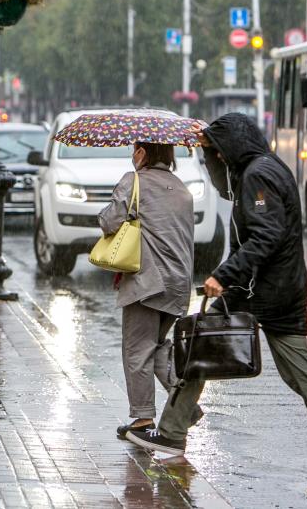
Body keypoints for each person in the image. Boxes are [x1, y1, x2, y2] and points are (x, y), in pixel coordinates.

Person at [123, 113, 307, 495]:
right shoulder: (263, 168)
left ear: (231, 148)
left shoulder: (257, 175)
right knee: (199, 347)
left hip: (268, 293)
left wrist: (224, 274)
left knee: (301, 376)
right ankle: (171, 432)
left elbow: (266, 237)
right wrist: (207, 145)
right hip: (260, 289)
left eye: (217, 153)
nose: (215, 160)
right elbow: (241, 209)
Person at [98, 142, 200, 438]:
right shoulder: (181, 188)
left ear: (142, 153)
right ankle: (187, 407)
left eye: (135, 149)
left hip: (147, 281)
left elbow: (109, 221)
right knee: (156, 346)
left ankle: (143, 419)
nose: (132, 154)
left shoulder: (134, 181)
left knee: (137, 350)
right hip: (177, 283)